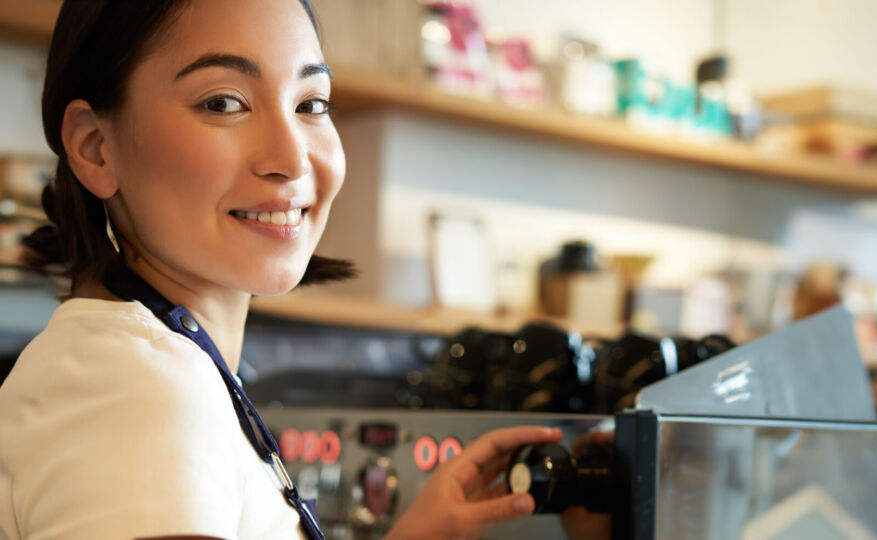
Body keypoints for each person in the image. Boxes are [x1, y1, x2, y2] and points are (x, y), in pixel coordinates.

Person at [0, 1, 562, 538]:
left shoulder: (153, 364)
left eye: (311, 104)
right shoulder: (133, 385)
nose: (292, 158)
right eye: (223, 103)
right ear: (96, 147)